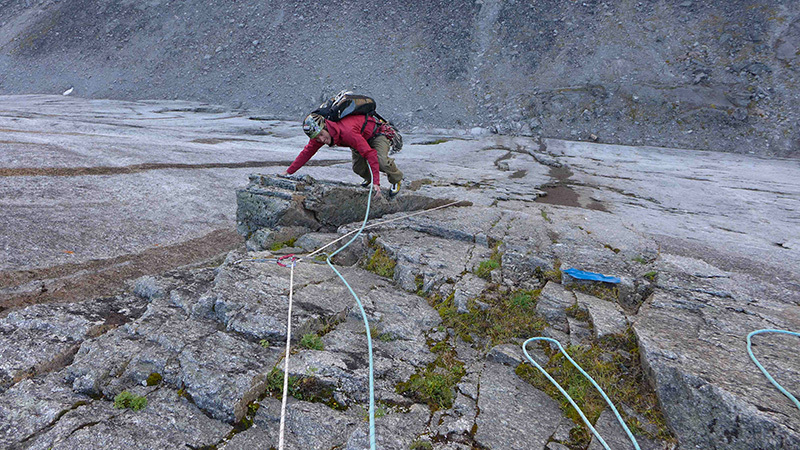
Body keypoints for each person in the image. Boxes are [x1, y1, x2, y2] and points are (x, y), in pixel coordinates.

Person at [282, 113, 403, 199]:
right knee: (358, 168)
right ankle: (368, 178)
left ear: (325, 127)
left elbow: (369, 154)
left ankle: (396, 179)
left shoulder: (347, 131)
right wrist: (288, 172)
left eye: (322, 135)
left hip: (377, 134)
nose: (321, 139)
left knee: (380, 161)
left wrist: (377, 183)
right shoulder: (318, 135)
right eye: (317, 138)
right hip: (360, 138)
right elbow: (306, 153)